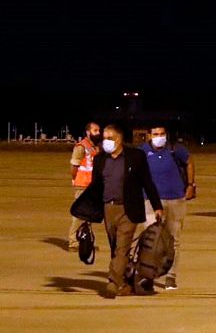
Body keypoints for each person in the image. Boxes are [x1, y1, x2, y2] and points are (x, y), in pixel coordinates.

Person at [71, 124, 163, 299]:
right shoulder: (100, 160)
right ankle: (126, 282)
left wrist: (157, 206)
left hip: (129, 209)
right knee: (116, 248)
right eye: (104, 138)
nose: (105, 141)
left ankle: (113, 283)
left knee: (122, 247)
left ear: (119, 140)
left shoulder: (136, 157)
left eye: (109, 138)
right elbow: (95, 188)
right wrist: (87, 213)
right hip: (108, 208)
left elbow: (147, 182)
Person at [137, 123, 195, 290]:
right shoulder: (142, 151)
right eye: (155, 133)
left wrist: (191, 184)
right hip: (150, 200)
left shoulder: (175, 149)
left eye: (162, 133)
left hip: (175, 199)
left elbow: (189, 161)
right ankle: (148, 276)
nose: (159, 136)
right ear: (149, 135)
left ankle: (171, 276)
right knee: (151, 241)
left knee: (174, 240)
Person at [68, 122, 101, 251]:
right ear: (88, 132)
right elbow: (74, 166)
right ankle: (73, 241)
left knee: (90, 215)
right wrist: (74, 179)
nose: (98, 133)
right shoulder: (81, 147)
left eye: (99, 130)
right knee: (78, 214)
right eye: (95, 130)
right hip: (82, 185)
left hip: (92, 186)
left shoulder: (96, 147)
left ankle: (86, 240)